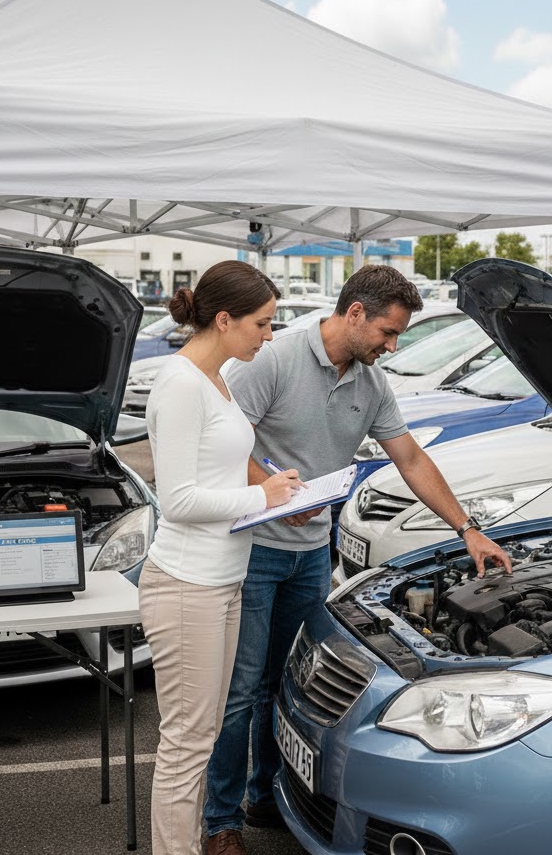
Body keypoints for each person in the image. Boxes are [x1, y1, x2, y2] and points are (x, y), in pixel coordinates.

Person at [203, 264, 512, 855]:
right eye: (388, 333)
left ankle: (265, 795)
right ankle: (221, 824)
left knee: (288, 681)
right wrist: (270, 493)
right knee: (242, 690)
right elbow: (223, 444)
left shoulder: (371, 383)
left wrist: (468, 528)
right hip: (254, 551)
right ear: (354, 314)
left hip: (313, 555)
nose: (392, 346)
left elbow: (412, 459)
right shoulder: (274, 358)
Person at [139, 260, 305, 855]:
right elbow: (179, 500)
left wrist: (270, 490)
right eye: (262, 324)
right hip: (188, 584)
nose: (269, 335)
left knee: (200, 737)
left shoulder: (217, 378)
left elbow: (221, 469)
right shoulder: (182, 383)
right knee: (187, 745)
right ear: (225, 319)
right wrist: (263, 495)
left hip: (220, 580)